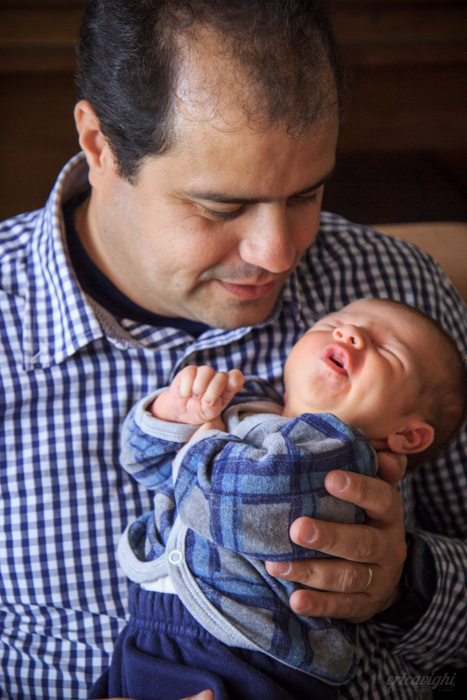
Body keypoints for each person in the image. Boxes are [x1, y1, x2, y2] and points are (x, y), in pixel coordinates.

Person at [0, 1, 466, 698]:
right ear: (100, 146)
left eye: (305, 194)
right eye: (221, 207)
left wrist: (407, 584)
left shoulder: (397, 291)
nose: (278, 254)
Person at [89, 298, 466, 699]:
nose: (350, 333)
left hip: (249, 652)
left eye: (388, 350)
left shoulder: (340, 452)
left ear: (408, 435)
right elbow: (145, 466)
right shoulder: (247, 407)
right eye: (335, 322)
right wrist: (170, 414)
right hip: (159, 627)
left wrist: (200, 438)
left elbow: (231, 508)